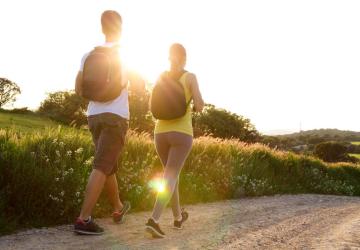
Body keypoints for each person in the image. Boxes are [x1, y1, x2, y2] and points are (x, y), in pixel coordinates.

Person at [74, 10, 144, 235]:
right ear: (120, 28)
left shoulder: (88, 55)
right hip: (116, 116)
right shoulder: (126, 55)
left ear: (102, 28)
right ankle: (83, 219)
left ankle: (118, 208)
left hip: (93, 115)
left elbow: (78, 88)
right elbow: (140, 86)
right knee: (102, 165)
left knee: (108, 166)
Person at [146, 43, 205, 238]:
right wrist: (194, 102)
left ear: (169, 57)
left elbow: (152, 104)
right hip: (181, 133)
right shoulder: (190, 77)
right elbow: (199, 105)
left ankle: (178, 218)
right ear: (185, 58)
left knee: (171, 177)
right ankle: (153, 220)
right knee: (170, 177)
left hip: (160, 132)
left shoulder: (161, 76)